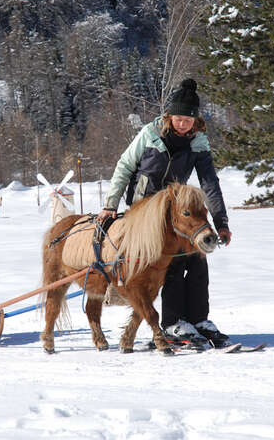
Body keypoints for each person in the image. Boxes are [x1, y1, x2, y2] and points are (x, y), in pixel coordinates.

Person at [97, 78, 233, 348]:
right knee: (173, 256)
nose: (183, 124)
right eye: (179, 118)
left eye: (188, 120)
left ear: (196, 121)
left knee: (197, 255)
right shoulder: (150, 133)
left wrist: (221, 222)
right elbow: (125, 166)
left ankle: (198, 320)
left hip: (174, 210)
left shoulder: (199, 142)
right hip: (143, 211)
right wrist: (110, 204)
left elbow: (209, 183)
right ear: (169, 116)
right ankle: (172, 323)